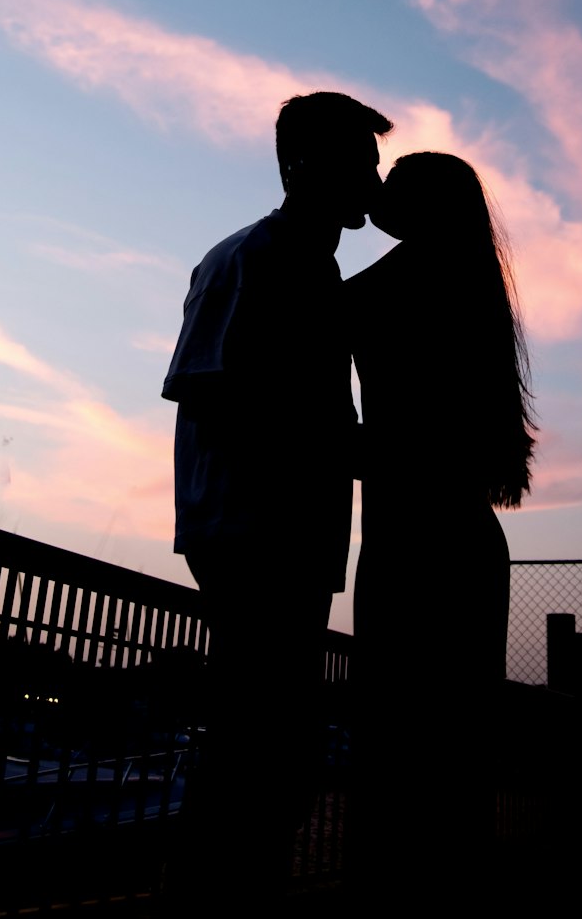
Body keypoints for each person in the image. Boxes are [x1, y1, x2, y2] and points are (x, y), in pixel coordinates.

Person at [162, 90, 393, 904]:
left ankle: (228, 897)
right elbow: (209, 388)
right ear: (301, 166)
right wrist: (348, 444)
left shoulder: (309, 264)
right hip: (253, 533)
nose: (373, 176)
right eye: (359, 160)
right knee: (260, 745)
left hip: (280, 534)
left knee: (269, 743)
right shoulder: (256, 257)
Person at [344, 151, 537, 890]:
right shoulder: (475, 290)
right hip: (466, 541)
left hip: (407, 542)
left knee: (394, 743)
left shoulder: (380, 291)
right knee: (457, 751)